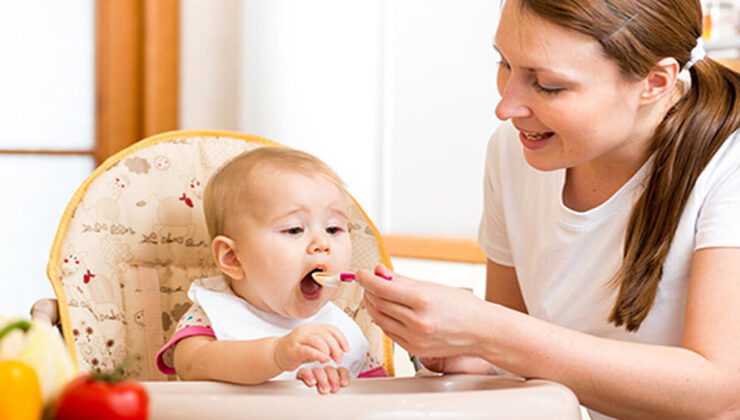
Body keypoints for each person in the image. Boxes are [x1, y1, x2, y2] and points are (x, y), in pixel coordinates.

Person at [355, 0, 740, 418]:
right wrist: (475, 353)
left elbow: (718, 393)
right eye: (504, 63)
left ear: (655, 81)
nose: (505, 108)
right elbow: (519, 352)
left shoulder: (728, 165)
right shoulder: (515, 151)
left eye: (548, 85)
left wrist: (489, 331)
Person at [155, 147, 386, 394]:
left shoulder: (341, 328)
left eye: (333, 229)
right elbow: (192, 364)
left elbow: (380, 401)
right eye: (295, 229)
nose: (323, 243)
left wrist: (341, 387)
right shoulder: (214, 314)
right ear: (233, 258)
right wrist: (275, 355)